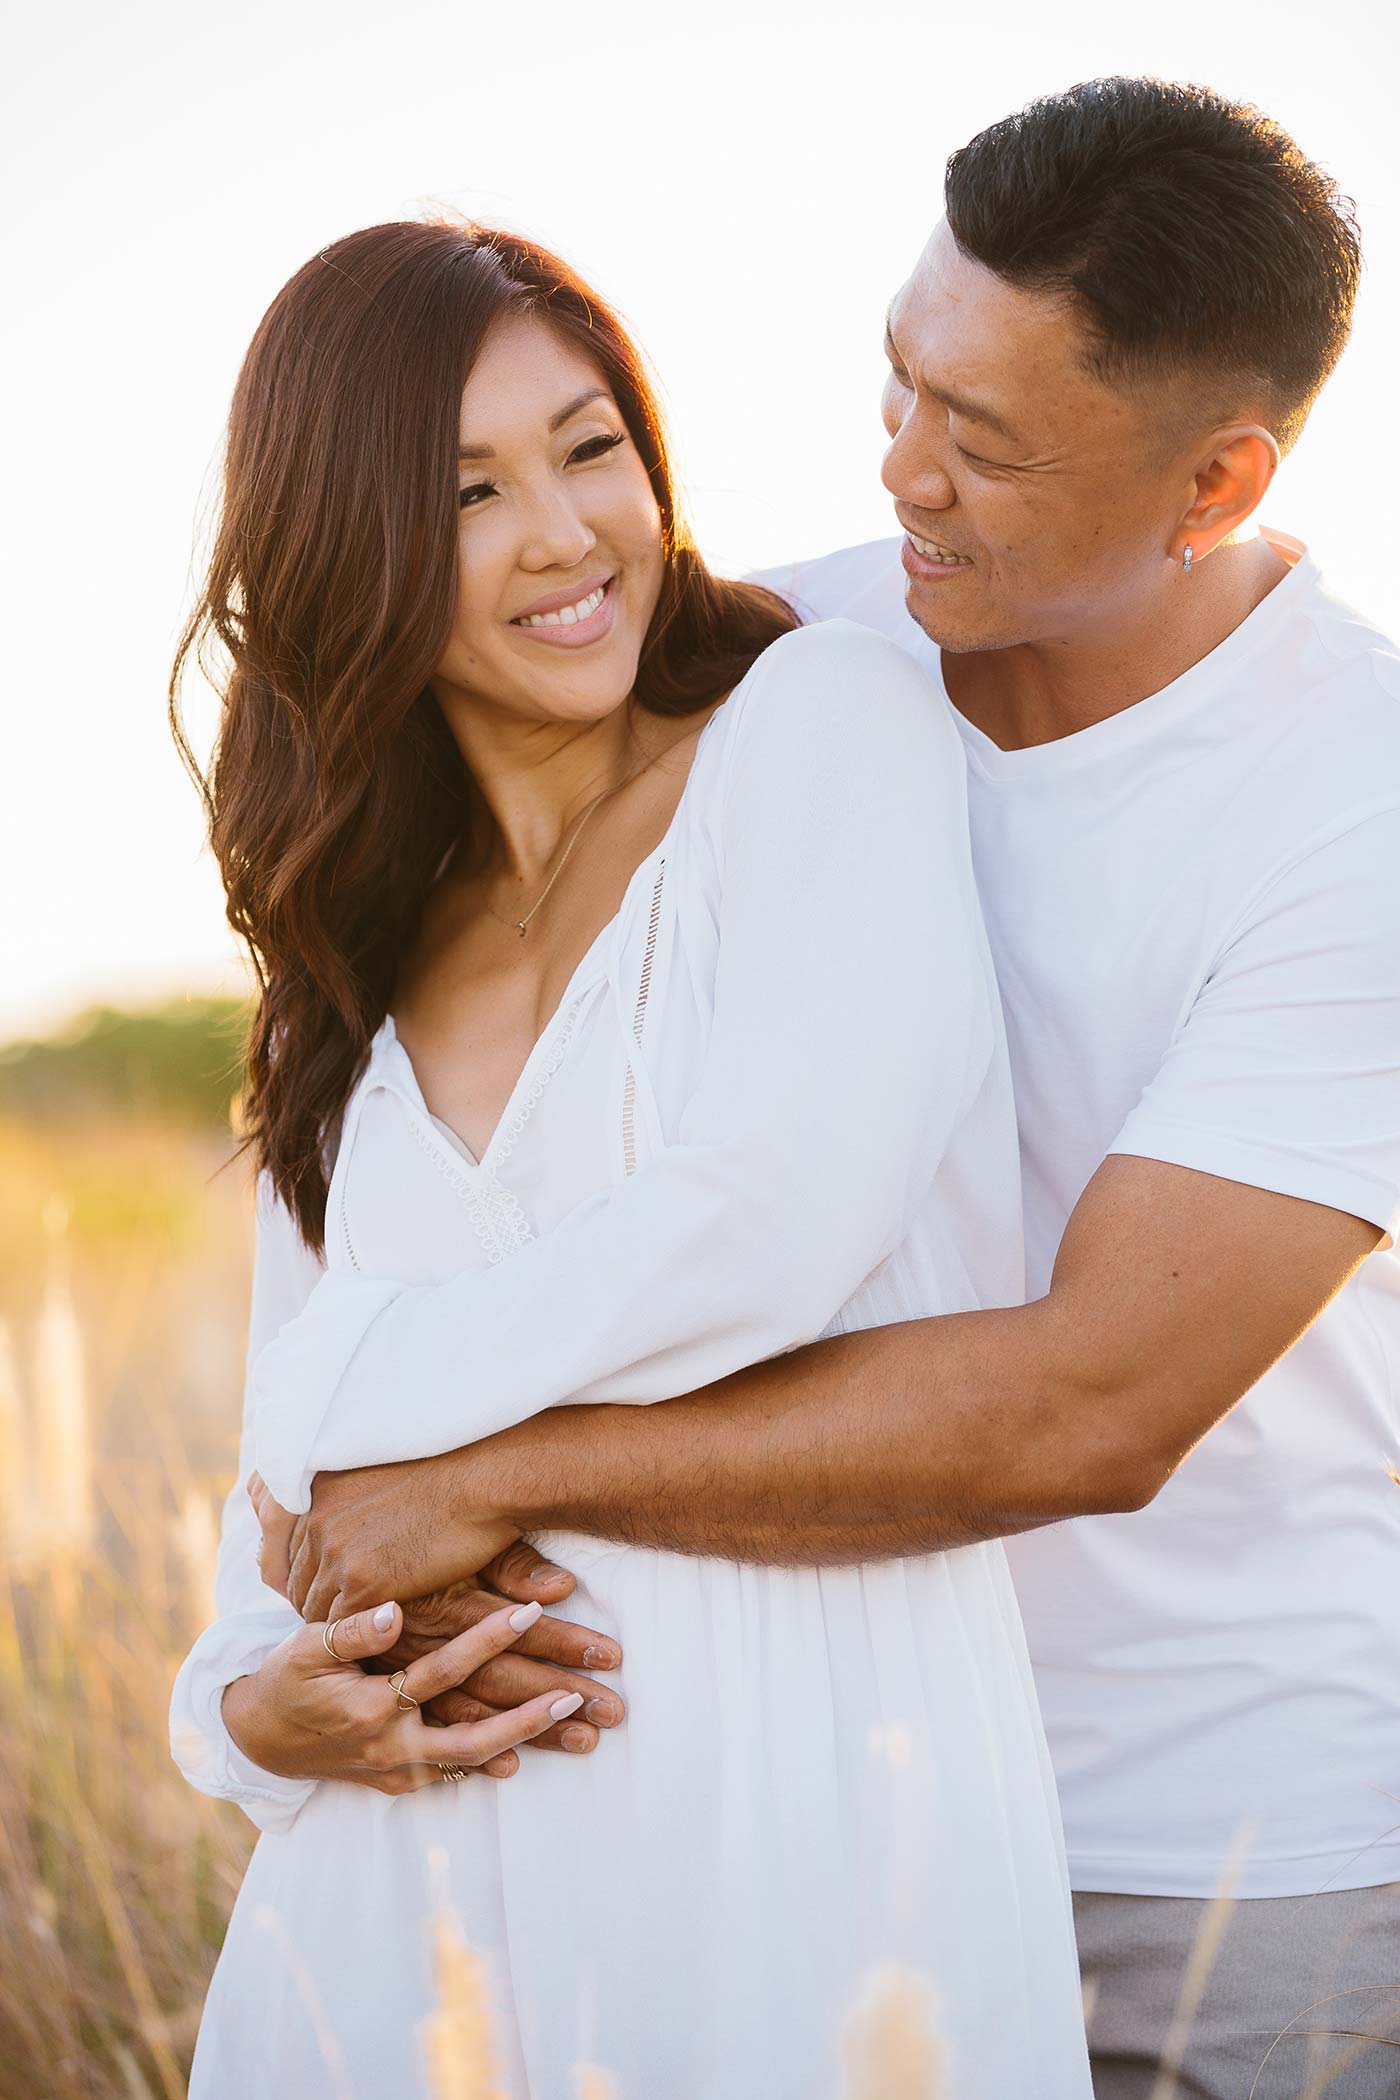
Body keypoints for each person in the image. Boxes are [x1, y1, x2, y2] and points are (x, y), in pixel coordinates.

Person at [251, 83, 1400, 2100]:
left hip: (1213, 1850)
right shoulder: (786, 647)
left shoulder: (1351, 808)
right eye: (899, 381)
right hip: (808, 1784)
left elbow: (1086, 1404)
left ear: (1210, 485)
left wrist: (468, 1466)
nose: (902, 476)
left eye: (985, 445)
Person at [168, 220, 1093, 2098]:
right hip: (397, 1933)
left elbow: (775, 1215)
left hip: (798, 1837)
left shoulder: (818, 727)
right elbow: (277, 1562)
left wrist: (345, 1423)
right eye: (467, 491)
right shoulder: (354, 950)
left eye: (592, 449)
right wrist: (249, 1718)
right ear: (344, 542)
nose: (565, 532)